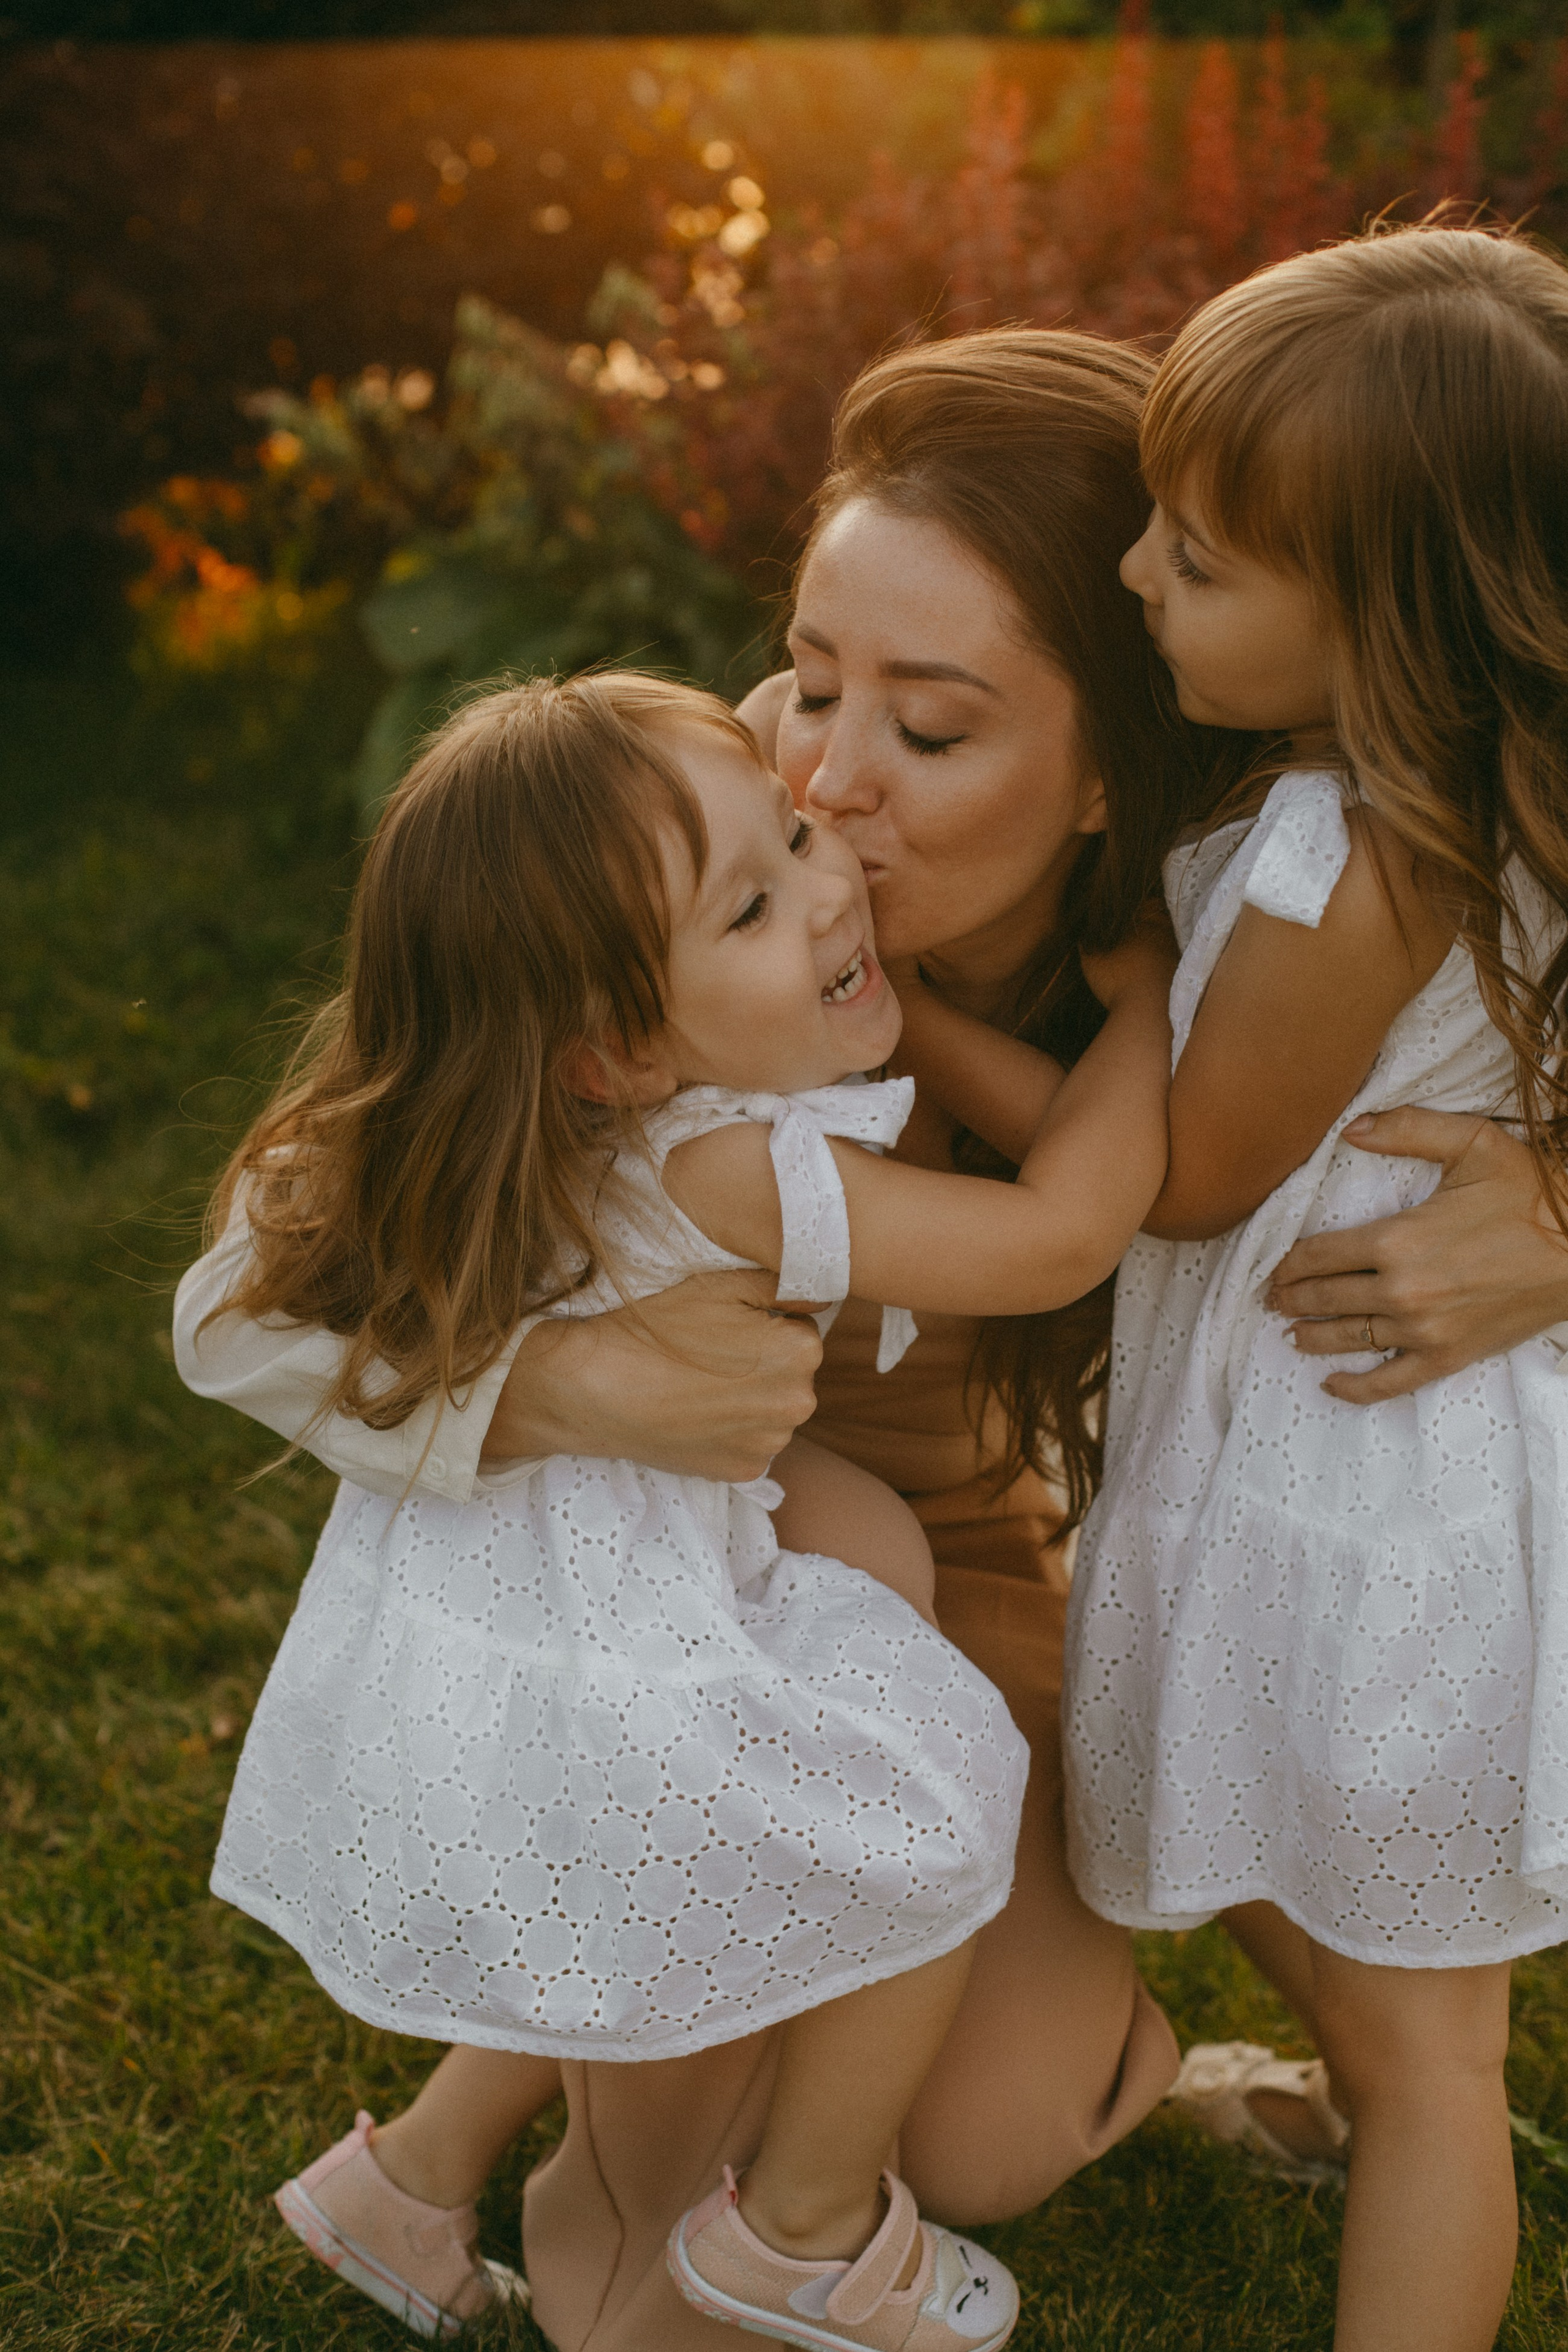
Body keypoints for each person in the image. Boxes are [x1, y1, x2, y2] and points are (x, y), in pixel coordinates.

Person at [175, 328, 1197, 2350]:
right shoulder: (713, 856)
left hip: (959, 1553)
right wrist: (562, 1384)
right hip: (683, 1562)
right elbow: (250, 1291)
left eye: (926, 726)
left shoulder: (1184, 945)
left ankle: (1094, 2058)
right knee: (635, 2254)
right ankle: (537, 2160)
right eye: (810, 679)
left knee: (979, 2133)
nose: (825, 775)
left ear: (1110, 771)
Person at [904, 225, 1567, 2352]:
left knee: (1430, 2073)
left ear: (1378, 617)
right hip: (1393, 1465)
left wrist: (926, 1013)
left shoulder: (1338, 861)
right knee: (1270, 1847)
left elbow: (1179, 1180)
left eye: (1192, 561)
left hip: (1340, 1483)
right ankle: (1321, 2087)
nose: (1130, 583)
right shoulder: (1483, 804)